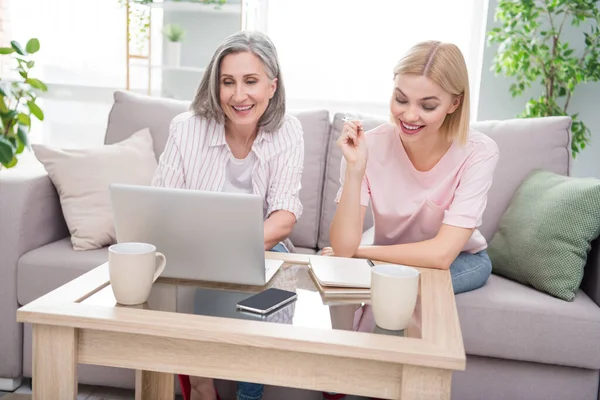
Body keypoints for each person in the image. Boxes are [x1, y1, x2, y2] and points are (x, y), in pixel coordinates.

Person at [152, 30, 304, 400]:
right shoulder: (187, 128)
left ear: (272, 85)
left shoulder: (288, 131)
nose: (239, 95)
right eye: (228, 82)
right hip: (192, 251)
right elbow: (159, 204)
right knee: (170, 285)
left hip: (261, 250)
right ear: (215, 85)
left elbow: (284, 217)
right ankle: (201, 382)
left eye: (251, 81)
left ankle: (247, 395)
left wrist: (232, 249)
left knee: (277, 290)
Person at [325, 40, 499, 297]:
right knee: (380, 286)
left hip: (460, 259)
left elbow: (442, 254)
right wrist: (355, 169)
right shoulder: (367, 147)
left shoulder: (479, 152)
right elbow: (342, 247)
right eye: (401, 99)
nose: (409, 115)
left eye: (427, 106)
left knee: (398, 290)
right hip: (389, 255)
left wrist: (360, 252)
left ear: (454, 104)